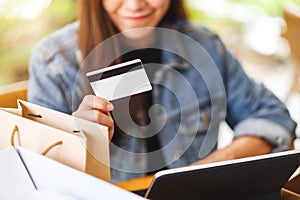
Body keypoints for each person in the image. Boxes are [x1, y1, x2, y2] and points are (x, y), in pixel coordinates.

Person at [28, 0, 296, 183]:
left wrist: (207, 169)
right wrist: (79, 139)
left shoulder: (205, 46)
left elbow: (273, 117)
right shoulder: (54, 62)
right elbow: (38, 175)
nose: (135, 5)